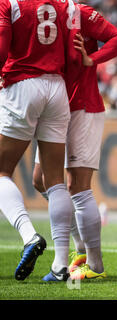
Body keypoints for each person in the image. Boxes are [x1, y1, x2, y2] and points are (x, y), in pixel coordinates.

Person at [32, 2, 117, 281]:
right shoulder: (35, 13)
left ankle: (95, 265)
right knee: (41, 180)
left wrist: (92, 59)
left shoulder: (80, 13)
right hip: (54, 106)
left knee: (77, 185)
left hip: (82, 106)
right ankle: (81, 247)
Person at [0, 0, 79, 281]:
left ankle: (29, 235)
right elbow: (73, 55)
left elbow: (1, 48)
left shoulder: (9, 3)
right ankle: (60, 265)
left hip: (22, 85)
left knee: (1, 171)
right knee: (55, 179)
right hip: (56, 88)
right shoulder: (66, 4)